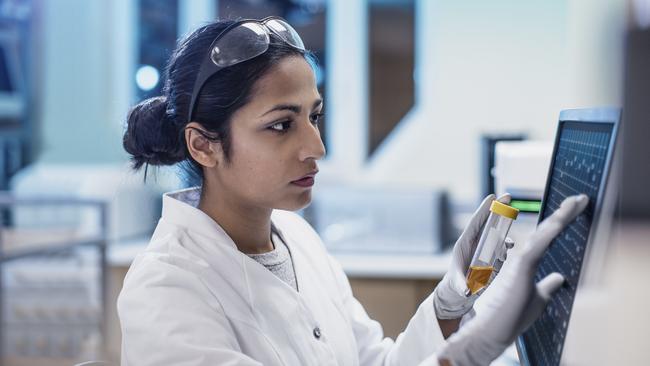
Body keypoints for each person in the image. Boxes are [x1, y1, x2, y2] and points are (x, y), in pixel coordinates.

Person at [118, 17, 588, 366]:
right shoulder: (166, 289)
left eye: (314, 116)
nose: (315, 146)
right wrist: (461, 358)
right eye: (281, 125)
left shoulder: (296, 238)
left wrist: (452, 303)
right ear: (203, 145)